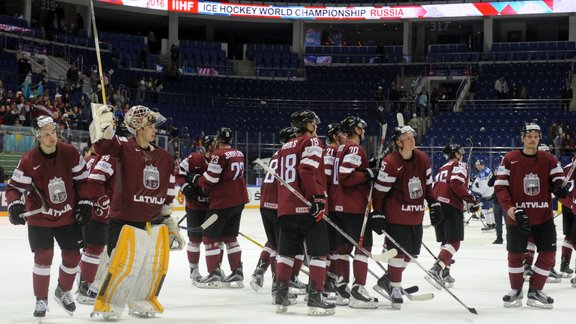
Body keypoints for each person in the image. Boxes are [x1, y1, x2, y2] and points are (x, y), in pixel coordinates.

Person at [91, 105, 176, 318]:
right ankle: (109, 303)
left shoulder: (165, 157)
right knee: (120, 265)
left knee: (150, 267)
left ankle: (141, 300)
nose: (155, 130)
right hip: (124, 220)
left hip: (152, 222)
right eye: (150, 125)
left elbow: (168, 190)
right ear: (138, 128)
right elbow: (104, 146)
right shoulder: (124, 148)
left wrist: (168, 219)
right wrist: (105, 126)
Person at [5, 115, 92, 318]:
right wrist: (15, 205)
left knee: (73, 256)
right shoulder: (29, 161)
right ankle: (41, 299)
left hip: (67, 216)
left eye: (53, 132)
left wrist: (86, 202)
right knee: (44, 257)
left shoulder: (70, 152)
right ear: (38, 137)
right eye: (46, 134)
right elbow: (14, 189)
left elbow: (83, 181)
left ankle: (63, 290)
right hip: (40, 218)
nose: (52, 137)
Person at [494, 123, 569, 309]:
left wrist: (560, 188)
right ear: (522, 138)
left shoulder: (549, 159)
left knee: (549, 254)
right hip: (518, 217)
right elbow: (501, 187)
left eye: (536, 135)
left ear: (539, 138)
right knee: (515, 255)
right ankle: (516, 290)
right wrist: (511, 209)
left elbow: (557, 180)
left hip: (543, 217)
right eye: (529, 135)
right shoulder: (510, 159)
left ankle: (535, 289)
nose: (532, 138)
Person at [275, 110, 335, 315]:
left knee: (286, 253)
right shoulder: (312, 142)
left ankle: (280, 295)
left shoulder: (284, 147)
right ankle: (315, 297)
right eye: (313, 123)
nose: (316, 127)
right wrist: (317, 197)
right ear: (307, 125)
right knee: (319, 253)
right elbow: (306, 171)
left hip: (287, 207)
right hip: (308, 207)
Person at [371, 125, 436, 309]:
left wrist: (433, 203)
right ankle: (395, 287)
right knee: (398, 254)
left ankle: (388, 279)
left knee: (412, 254)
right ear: (398, 142)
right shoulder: (391, 162)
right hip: (396, 217)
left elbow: (428, 185)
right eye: (408, 138)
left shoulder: (422, 158)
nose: (412, 140)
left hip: (416, 217)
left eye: (412, 137)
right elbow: (379, 192)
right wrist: (377, 213)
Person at [188, 127, 249, 289]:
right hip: (239, 201)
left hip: (222, 202)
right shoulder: (239, 153)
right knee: (230, 237)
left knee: (209, 238)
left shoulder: (218, 154)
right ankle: (237, 272)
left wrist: (196, 180)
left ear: (218, 139)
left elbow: (211, 179)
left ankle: (214, 274)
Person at [330, 116, 379, 309]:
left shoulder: (340, 148)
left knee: (342, 249)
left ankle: (342, 290)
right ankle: (358, 291)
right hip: (353, 206)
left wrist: (367, 167)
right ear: (357, 130)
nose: (363, 131)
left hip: (338, 206)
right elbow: (346, 176)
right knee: (363, 248)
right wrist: (367, 174)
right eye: (361, 128)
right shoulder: (354, 148)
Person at [250, 127, 297, 297]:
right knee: (281, 247)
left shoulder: (278, 154)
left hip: (265, 203)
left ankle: (260, 270)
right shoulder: (292, 154)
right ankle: (278, 285)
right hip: (278, 203)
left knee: (273, 243)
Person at [428, 144, 477, 288]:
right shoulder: (459, 164)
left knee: (446, 241)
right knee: (454, 242)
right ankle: (436, 269)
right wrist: (469, 199)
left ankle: (445, 272)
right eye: (459, 151)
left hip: (436, 205)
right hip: (450, 205)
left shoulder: (441, 168)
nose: (461, 154)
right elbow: (456, 183)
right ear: (455, 154)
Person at [76, 144, 116, 305]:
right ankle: (84, 287)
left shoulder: (88, 160)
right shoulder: (107, 159)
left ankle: (83, 284)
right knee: (94, 248)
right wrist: (103, 201)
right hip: (98, 208)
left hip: (86, 206)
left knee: (90, 248)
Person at [177, 134, 217, 285]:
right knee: (195, 240)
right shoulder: (193, 159)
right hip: (195, 207)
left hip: (212, 208)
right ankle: (193, 270)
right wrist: (186, 187)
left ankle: (215, 269)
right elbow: (179, 175)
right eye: (213, 146)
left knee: (212, 240)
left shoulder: (220, 160)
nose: (215, 149)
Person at [472, 159, 495, 233]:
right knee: (490, 209)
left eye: (479, 165)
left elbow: (484, 186)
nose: (477, 167)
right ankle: (493, 224)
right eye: (476, 165)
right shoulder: (487, 169)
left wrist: (480, 194)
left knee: (486, 209)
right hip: (491, 192)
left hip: (486, 193)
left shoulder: (482, 173)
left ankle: (489, 225)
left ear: (483, 165)